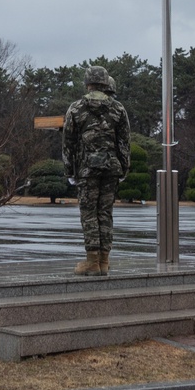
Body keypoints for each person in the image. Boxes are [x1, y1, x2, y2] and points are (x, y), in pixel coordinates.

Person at [62, 66, 130, 277]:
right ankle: (104, 260)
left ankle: (92, 261)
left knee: (89, 214)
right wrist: (124, 167)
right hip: (111, 169)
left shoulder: (76, 108)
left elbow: (68, 143)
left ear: (87, 82)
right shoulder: (118, 109)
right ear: (106, 83)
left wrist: (69, 171)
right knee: (105, 213)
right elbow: (124, 142)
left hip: (86, 169)